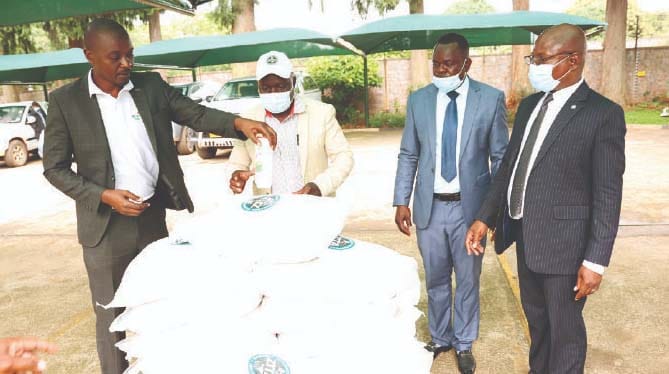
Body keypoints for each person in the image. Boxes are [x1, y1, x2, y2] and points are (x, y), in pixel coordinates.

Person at [42, 19, 276, 374]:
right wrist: (104, 195)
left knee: (162, 304)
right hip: (104, 230)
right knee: (112, 316)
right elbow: (54, 168)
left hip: (152, 218)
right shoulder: (65, 101)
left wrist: (240, 124)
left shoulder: (149, 85)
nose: (126, 64)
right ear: (89, 56)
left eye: (130, 55)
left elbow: (195, 113)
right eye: (115, 57)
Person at [466, 24, 625, 373]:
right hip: (527, 239)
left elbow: (608, 193)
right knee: (539, 328)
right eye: (532, 58)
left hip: (567, 248)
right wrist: (485, 216)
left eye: (541, 59)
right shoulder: (529, 106)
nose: (533, 66)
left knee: (565, 334)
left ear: (572, 60)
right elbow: (509, 166)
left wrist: (595, 261)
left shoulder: (603, 114)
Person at [393, 33, 508, 373]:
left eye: (449, 65)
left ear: (466, 64)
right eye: (436, 64)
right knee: (436, 277)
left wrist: (490, 213)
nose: (441, 71)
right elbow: (409, 153)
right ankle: (441, 337)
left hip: (470, 210)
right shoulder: (419, 101)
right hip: (430, 207)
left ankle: (464, 342)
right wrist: (401, 200)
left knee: (468, 279)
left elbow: (502, 158)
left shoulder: (489, 99)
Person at [228, 50, 354, 197]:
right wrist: (235, 176)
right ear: (258, 87)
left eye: (280, 86)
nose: (273, 93)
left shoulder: (322, 113)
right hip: (269, 210)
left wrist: (320, 186)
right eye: (266, 88)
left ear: (293, 82)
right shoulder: (248, 119)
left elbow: (343, 156)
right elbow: (236, 163)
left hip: (313, 207)